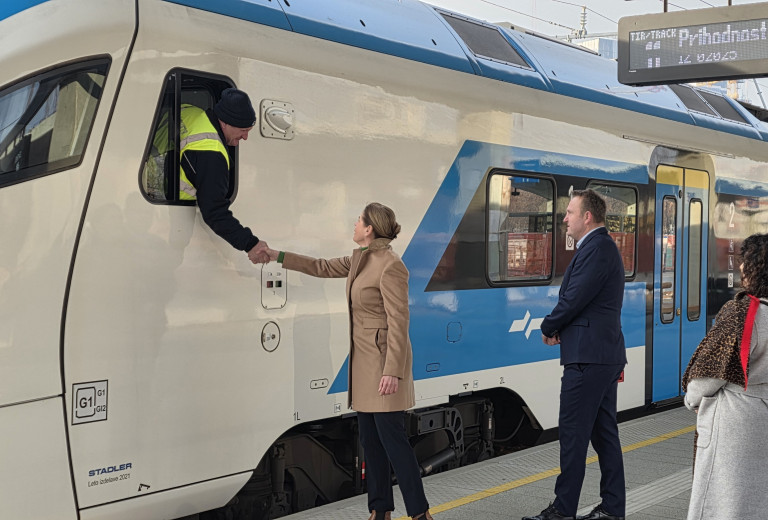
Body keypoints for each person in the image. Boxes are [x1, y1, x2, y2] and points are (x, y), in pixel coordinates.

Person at [264, 203, 432, 520]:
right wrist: (278, 256)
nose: (354, 225)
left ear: (369, 228)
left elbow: (399, 321)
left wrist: (393, 371)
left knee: (394, 443)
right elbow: (321, 267)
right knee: (371, 443)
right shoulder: (360, 259)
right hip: (365, 365)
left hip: (383, 366)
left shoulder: (391, 265)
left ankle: (420, 513)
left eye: (358, 220)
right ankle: (379, 510)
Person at [523, 189, 627, 520]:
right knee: (603, 433)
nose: (564, 218)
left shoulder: (597, 249)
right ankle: (612, 508)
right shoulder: (598, 248)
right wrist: (562, 330)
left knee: (572, 434)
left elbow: (574, 300)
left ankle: (563, 510)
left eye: (570, 212)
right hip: (598, 354)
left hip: (589, 359)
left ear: (587, 217)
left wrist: (548, 327)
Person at [682, 233, 768, 520]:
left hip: (734, 422)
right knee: (756, 498)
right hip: (762, 416)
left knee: (723, 500)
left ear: (755, 267)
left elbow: (709, 373)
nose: (741, 268)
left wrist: (692, 397)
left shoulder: (743, 312)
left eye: (745, 262)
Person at [179, 87, 268, 263]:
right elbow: (214, 211)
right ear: (225, 122)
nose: (245, 137)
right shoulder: (211, 152)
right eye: (243, 130)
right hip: (175, 218)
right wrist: (250, 244)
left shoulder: (191, 113)